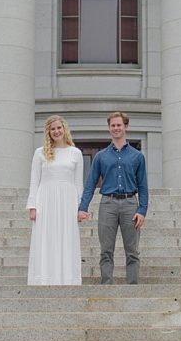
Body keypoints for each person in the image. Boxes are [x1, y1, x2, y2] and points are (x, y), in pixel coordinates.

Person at [78, 111, 148, 284]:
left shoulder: (137, 156)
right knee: (106, 250)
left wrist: (142, 210)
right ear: (109, 128)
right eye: (113, 125)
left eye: (119, 125)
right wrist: (83, 207)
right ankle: (106, 285)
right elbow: (90, 183)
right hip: (107, 204)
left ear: (126, 127)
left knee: (132, 251)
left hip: (130, 204)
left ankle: (132, 286)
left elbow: (143, 186)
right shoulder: (101, 156)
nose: (116, 128)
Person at [26, 115, 84, 285]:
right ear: (48, 132)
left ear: (64, 129)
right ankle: (43, 278)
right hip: (46, 201)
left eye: (59, 128)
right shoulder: (40, 153)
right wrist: (32, 206)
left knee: (67, 238)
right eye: (53, 129)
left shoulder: (76, 153)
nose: (56, 131)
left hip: (68, 202)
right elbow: (34, 180)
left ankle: (67, 279)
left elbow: (78, 183)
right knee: (45, 238)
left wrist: (81, 208)